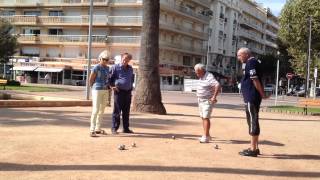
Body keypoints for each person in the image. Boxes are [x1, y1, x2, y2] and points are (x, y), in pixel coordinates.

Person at [237, 47, 269, 157]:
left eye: (239, 55)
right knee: (253, 120)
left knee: (252, 121)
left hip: (252, 97)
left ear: (246, 54)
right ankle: (255, 147)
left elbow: (255, 79)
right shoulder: (253, 62)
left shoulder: (251, 63)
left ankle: (253, 149)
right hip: (251, 97)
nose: (238, 58)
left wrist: (262, 94)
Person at [194, 63, 221, 143]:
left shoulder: (209, 76)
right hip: (200, 100)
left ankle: (205, 137)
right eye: (196, 72)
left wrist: (214, 97)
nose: (197, 74)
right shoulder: (201, 77)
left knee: (206, 118)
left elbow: (217, 85)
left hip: (207, 100)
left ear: (202, 70)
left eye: (198, 72)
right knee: (203, 117)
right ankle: (207, 135)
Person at [109, 53, 134, 134]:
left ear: (129, 60)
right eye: (124, 58)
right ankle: (114, 128)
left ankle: (126, 128)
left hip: (128, 93)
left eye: (127, 59)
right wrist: (112, 86)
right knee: (117, 111)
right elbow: (109, 78)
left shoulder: (130, 68)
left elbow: (131, 79)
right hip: (119, 92)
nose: (125, 60)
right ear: (121, 58)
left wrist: (130, 87)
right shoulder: (115, 67)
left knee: (126, 111)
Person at [89, 50, 110, 137]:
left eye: (107, 59)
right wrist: (92, 88)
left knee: (102, 110)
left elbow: (108, 79)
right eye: (104, 59)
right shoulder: (96, 67)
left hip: (105, 90)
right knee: (96, 109)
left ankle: (98, 128)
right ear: (100, 58)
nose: (105, 61)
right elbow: (91, 78)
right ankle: (92, 129)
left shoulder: (108, 68)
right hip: (97, 89)